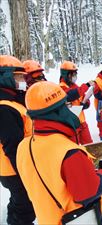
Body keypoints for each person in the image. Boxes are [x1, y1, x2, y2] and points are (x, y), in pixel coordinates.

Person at [17, 81, 102, 225]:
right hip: (77, 219)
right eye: (66, 106)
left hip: (46, 219)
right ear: (57, 111)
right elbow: (88, 192)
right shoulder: (69, 152)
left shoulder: (23, 146)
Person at [0, 55, 36, 225]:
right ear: (5, 77)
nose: (23, 81)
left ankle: (13, 216)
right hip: (14, 169)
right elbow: (13, 147)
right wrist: (25, 173)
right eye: (18, 77)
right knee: (26, 207)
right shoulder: (4, 109)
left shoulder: (12, 99)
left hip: (16, 166)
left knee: (19, 200)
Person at [59, 60, 94, 145]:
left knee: (89, 145)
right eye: (73, 75)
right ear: (66, 75)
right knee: (75, 147)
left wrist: (85, 104)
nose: (75, 77)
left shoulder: (75, 86)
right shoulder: (61, 88)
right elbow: (71, 95)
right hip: (71, 125)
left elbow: (84, 99)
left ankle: (91, 158)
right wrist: (87, 85)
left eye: (75, 74)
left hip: (82, 122)